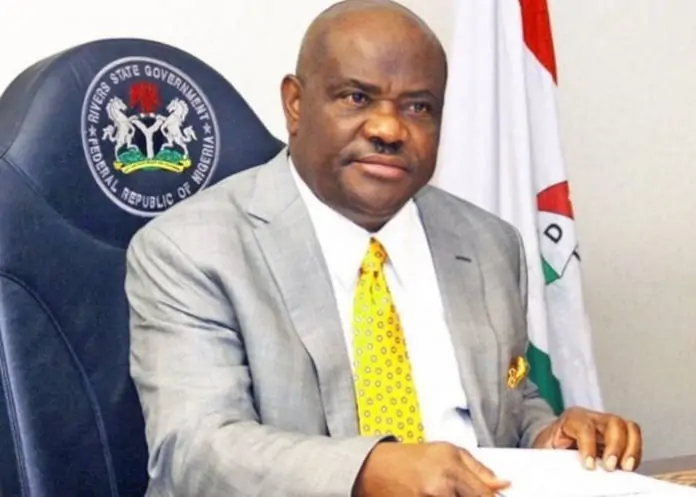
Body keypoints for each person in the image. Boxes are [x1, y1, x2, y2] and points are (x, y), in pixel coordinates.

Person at [125, 1, 643, 496]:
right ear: (295, 104)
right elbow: (194, 450)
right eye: (356, 98)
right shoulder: (192, 249)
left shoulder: (488, 243)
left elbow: (506, 404)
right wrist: (367, 471)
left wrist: (548, 439)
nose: (390, 129)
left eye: (419, 107)